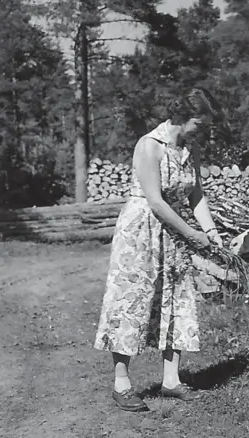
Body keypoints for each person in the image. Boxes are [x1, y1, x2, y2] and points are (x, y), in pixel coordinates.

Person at [93, 87, 226, 412]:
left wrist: (209, 229)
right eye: (199, 123)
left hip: (173, 231)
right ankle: (122, 383)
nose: (203, 130)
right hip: (141, 232)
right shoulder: (149, 145)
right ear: (181, 117)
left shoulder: (189, 148)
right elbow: (155, 200)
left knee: (177, 298)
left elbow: (195, 194)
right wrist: (192, 235)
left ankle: (171, 380)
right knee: (132, 301)